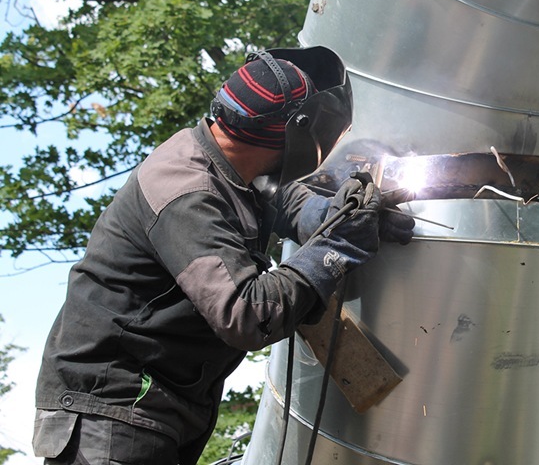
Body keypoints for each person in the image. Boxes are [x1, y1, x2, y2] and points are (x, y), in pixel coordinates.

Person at [32, 46, 415, 464]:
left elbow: (285, 201)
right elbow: (247, 314)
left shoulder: (230, 162)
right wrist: (335, 246)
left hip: (152, 410)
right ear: (301, 134)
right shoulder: (185, 190)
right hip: (109, 414)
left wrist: (339, 215)